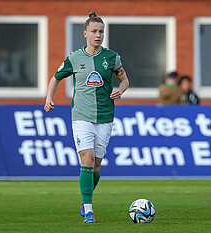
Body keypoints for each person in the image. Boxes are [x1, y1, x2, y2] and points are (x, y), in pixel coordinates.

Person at [44, 11, 129, 223]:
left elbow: (125, 80)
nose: (98, 35)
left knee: (97, 167)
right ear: (85, 33)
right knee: (87, 159)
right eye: (94, 31)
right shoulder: (74, 57)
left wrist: (121, 90)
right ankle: (89, 211)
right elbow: (55, 78)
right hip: (81, 115)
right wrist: (48, 98)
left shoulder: (112, 57)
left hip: (105, 116)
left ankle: (85, 199)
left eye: (101, 31)